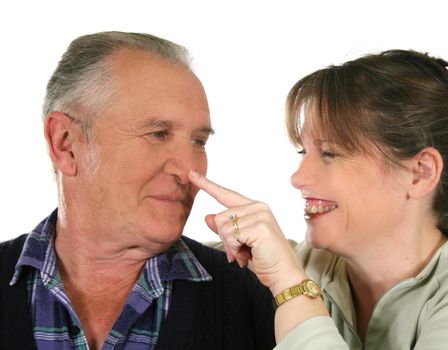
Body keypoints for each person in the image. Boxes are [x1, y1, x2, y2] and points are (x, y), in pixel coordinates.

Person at [191, 50, 448, 349]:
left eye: (329, 153)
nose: (298, 178)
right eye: (302, 151)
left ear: (420, 173)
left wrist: (291, 286)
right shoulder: (285, 262)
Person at [0, 31, 276, 350]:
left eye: (199, 141)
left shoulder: (256, 294)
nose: (190, 169)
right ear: (66, 143)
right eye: (158, 134)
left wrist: (291, 290)